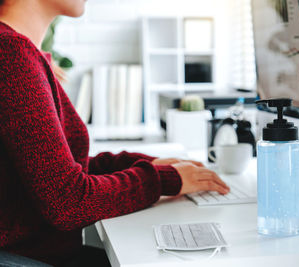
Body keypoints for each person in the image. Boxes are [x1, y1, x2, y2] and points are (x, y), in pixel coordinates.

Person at [0, 0, 230, 266]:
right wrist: (161, 180)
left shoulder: (21, 52)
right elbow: (67, 201)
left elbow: (65, 170)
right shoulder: (10, 54)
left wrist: (147, 164)